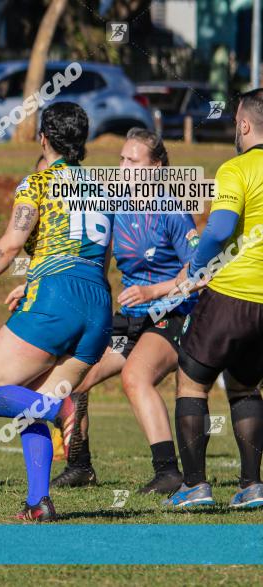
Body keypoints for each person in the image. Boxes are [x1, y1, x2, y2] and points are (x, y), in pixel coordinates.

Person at [0, 103, 113, 522]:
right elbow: (98, 257)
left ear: (43, 138)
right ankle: (38, 502)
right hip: (98, 302)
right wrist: (35, 284)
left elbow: (14, 240)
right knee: (28, 400)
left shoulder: (39, 181)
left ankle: (59, 411)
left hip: (56, 296)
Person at [52, 129, 197, 495]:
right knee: (75, 378)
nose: (124, 168)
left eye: (133, 161)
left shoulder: (173, 210)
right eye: (121, 160)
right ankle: (80, 466)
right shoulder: (116, 206)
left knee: (135, 376)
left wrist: (154, 290)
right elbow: (86, 254)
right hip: (130, 319)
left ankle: (168, 473)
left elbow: (197, 272)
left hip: (172, 313)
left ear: (157, 168)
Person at [165, 89, 263, 509]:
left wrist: (194, 268)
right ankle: (252, 485)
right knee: (244, 387)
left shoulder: (237, 168)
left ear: (243, 124)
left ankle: (195, 485)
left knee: (191, 380)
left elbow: (220, 228)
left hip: (232, 291)